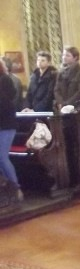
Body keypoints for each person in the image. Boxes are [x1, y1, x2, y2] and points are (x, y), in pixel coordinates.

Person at [0, 59, 22, 201]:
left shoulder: (5, 80)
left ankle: (16, 188)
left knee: (2, 157)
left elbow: (5, 102)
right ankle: (6, 188)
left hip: (6, 125)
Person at [53, 46, 80, 111]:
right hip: (62, 106)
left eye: (67, 55)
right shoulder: (61, 73)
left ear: (75, 57)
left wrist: (68, 103)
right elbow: (57, 89)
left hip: (77, 106)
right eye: (63, 55)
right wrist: (61, 102)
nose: (64, 57)